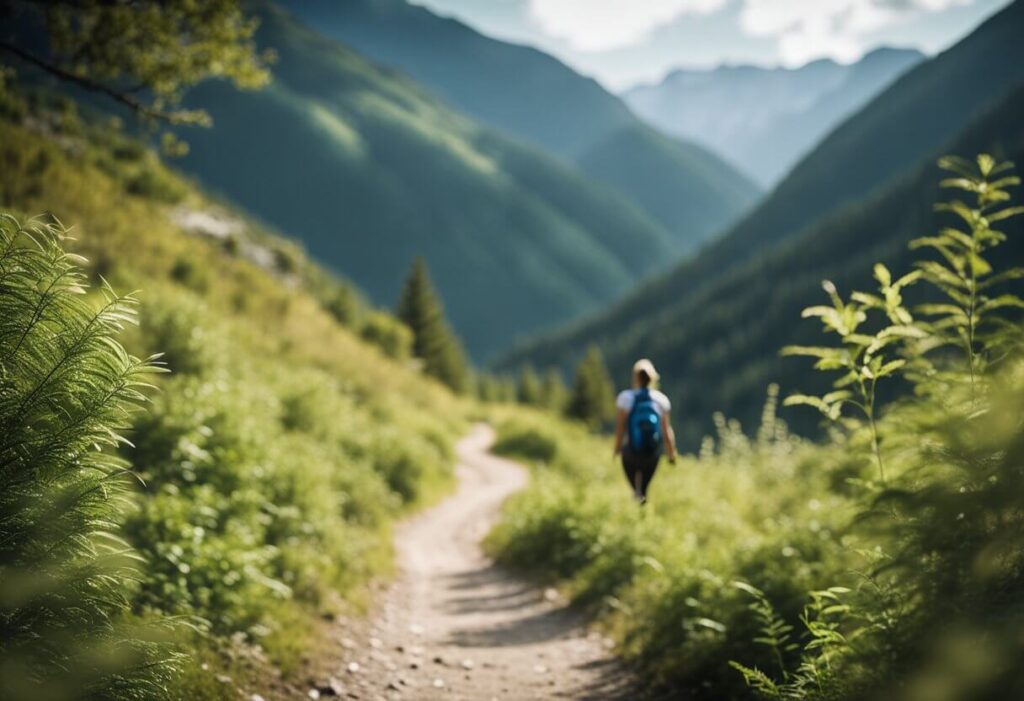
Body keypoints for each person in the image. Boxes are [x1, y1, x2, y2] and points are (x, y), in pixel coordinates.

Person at [613, 359, 677, 505]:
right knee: (644, 488)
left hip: (630, 452)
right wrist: (671, 454)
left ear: (635, 377)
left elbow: (620, 428)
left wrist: (617, 449)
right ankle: (642, 506)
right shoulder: (661, 400)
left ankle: (636, 501)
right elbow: (667, 432)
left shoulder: (625, 398)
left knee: (635, 488)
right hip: (652, 454)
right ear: (653, 378)